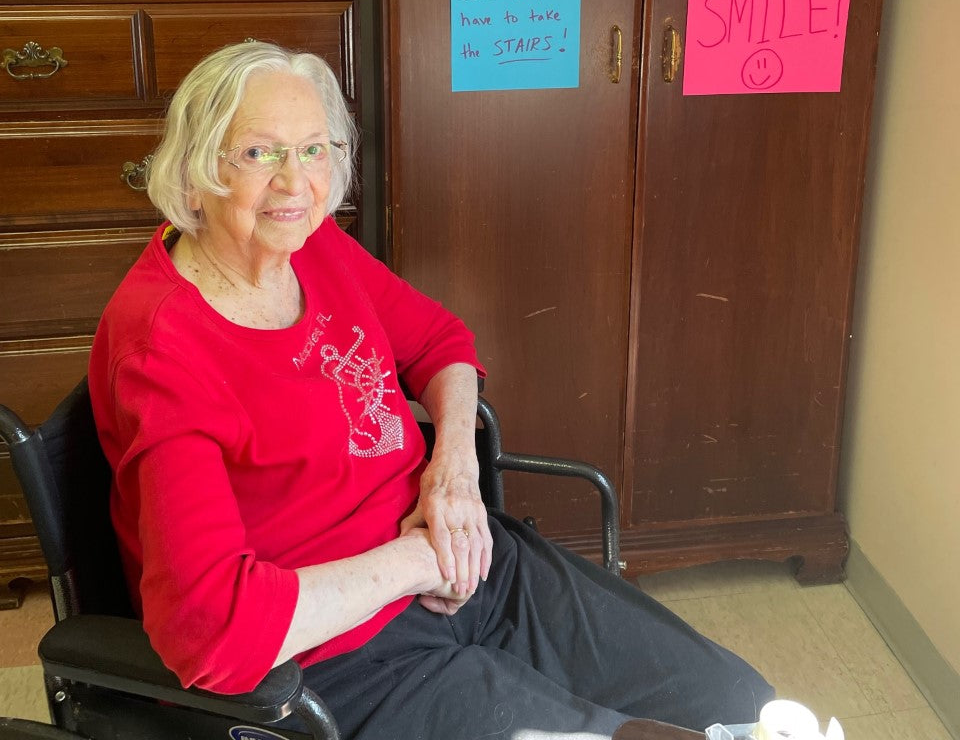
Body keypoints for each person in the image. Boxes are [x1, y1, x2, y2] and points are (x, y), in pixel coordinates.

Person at [89, 42, 774, 740]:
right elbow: (213, 635)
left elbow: (440, 344)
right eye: (260, 154)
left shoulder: (310, 242)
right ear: (199, 168)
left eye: (315, 149)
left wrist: (453, 470)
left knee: (742, 704)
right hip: (338, 659)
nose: (296, 183)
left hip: (466, 563)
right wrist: (418, 561)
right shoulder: (162, 350)